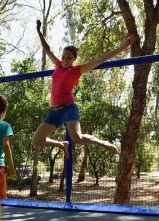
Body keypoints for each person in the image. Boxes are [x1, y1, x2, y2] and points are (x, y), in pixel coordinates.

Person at [33, 20, 133, 159]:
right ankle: (62, 145)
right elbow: (47, 49)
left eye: (69, 58)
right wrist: (39, 31)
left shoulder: (77, 70)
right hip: (54, 112)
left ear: (74, 59)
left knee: (77, 138)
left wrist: (122, 47)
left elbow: (101, 58)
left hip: (68, 108)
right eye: (63, 57)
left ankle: (103, 143)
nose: (65, 60)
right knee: (37, 140)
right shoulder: (57, 65)